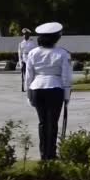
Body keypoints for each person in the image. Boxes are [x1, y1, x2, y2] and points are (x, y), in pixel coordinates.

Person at [25, 22, 72, 160]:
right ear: (56, 37)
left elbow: (29, 76)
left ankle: (43, 154)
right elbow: (66, 77)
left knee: (42, 123)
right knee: (52, 123)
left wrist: (29, 95)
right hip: (55, 88)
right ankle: (51, 153)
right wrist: (67, 96)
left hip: (37, 89)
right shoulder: (63, 53)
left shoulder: (33, 53)